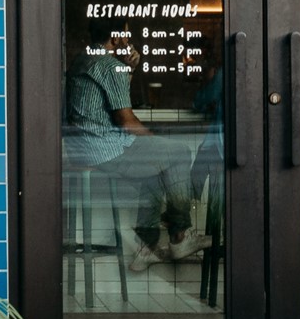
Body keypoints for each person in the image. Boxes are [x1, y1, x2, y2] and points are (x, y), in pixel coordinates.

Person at [65, 35, 209, 271]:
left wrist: (129, 69)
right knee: (179, 153)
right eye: (126, 33)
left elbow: (115, 97)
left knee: (156, 166)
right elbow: (126, 120)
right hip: (105, 148)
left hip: (82, 148)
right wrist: (153, 141)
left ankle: (146, 248)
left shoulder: (83, 58)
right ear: (117, 37)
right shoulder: (110, 64)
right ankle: (180, 237)